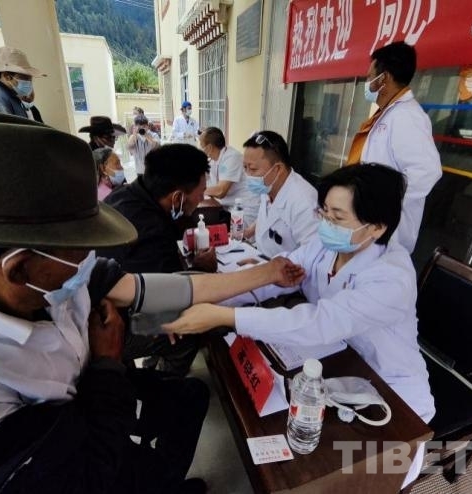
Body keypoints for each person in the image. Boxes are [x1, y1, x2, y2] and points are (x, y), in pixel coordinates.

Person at [0, 112, 304, 493]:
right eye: (78, 252)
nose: (89, 260)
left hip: (85, 389)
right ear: (19, 269)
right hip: (63, 456)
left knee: (188, 398)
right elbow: (74, 477)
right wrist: (107, 364)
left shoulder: (45, 278)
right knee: (134, 463)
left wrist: (265, 275)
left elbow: (149, 289)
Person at [165, 163, 435, 486]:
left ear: (376, 227)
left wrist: (223, 317)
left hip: (389, 388)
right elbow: (279, 277)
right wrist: (211, 303)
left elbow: (319, 322)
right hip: (333, 361)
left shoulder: (392, 277)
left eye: (337, 217)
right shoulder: (327, 245)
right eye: (324, 213)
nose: (326, 224)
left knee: (359, 479)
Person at [99, 144, 217, 375]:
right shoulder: (151, 231)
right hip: (111, 325)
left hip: (107, 299)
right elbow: (172, 293)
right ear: (177, 197)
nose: (202, 198)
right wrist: (200, 268)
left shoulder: (126, 195)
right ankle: (164, 381)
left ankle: (151, 363)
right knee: (186, 331)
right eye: (201, 193)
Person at [346, 41, 442, 253]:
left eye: (370, 77)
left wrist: (381, 201)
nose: (367, 83)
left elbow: (427, 171)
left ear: (384, 78)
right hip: (369, 221)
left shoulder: (408, 116)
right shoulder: (389, 113)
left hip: (387, 228)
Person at [243, 130, 318, 258]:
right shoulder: (268, 185)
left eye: (253, 169)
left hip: (285, 268)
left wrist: (269, 267)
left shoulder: (304, 202)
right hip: (260, 256)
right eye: (245, 168)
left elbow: (312, 256)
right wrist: (248, 232)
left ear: (277, 169)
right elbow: (268, 216)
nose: (248, 175)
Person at [201, 127, 259, 227]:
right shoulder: (214, 160)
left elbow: (220, 191)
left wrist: (199, 190)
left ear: (209, 147)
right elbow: (202, 176)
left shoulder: (232, 157)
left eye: (202, 146)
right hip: (229, 208)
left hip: (245, 210)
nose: (201, 149)